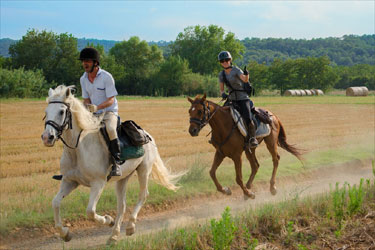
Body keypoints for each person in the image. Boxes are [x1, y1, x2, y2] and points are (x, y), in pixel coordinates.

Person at [79, 47, 122, 176]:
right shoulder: (83, 79)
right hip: (93, 114)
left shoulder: (106, 77)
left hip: (109, 112)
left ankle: (117, 163)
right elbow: (86, 99)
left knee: (110, 129)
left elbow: (111, 100)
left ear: (95, 63)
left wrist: (97, 107)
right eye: (83, 61)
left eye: (87, 61)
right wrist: (87, 107)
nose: (84, 64)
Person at [217, 51, 258, 148]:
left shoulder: (236, 70)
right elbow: (221, 89)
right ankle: (218, 137)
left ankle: (253, 138)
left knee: (248, 117)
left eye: (226, 60)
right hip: (231, 99)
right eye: (222, 61)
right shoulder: (221, 74)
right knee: (221, 116)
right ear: (220, 63)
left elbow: (245, 80)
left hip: (243, 98)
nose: (225, 62)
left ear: (230, 60)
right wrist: (223, 94)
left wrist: (247, 74)